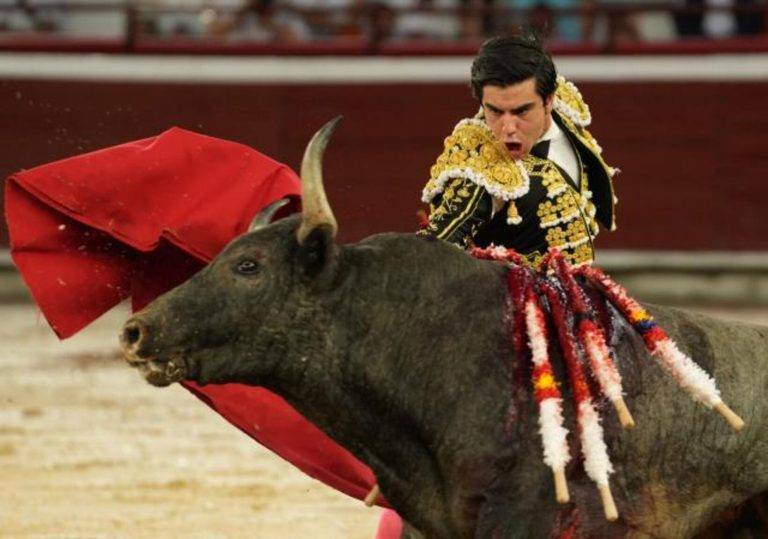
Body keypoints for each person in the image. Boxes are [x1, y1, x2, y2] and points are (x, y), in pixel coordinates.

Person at [418, 34, 618, 267]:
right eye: (495, 111)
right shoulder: (480, 171)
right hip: (517, 300)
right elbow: (433, 249)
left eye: (521, 112)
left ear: (549, 101)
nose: (508, 128)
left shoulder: (564, 106)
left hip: (581, 288)